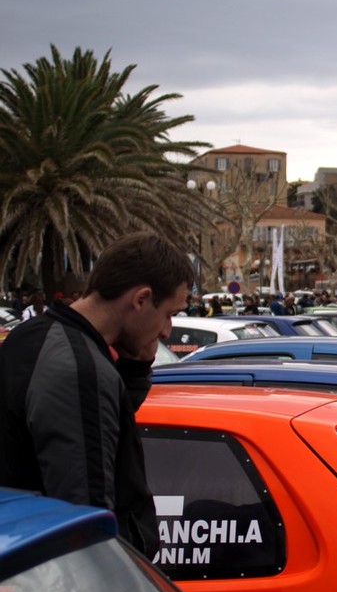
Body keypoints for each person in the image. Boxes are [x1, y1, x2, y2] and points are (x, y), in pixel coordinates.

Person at [0, 233, 193, 558]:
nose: (166, 331)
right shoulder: (79, 370)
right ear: (141, 299)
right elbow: (86, 518)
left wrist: (135, 368)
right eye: (169, 313)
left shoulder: (33, 336)